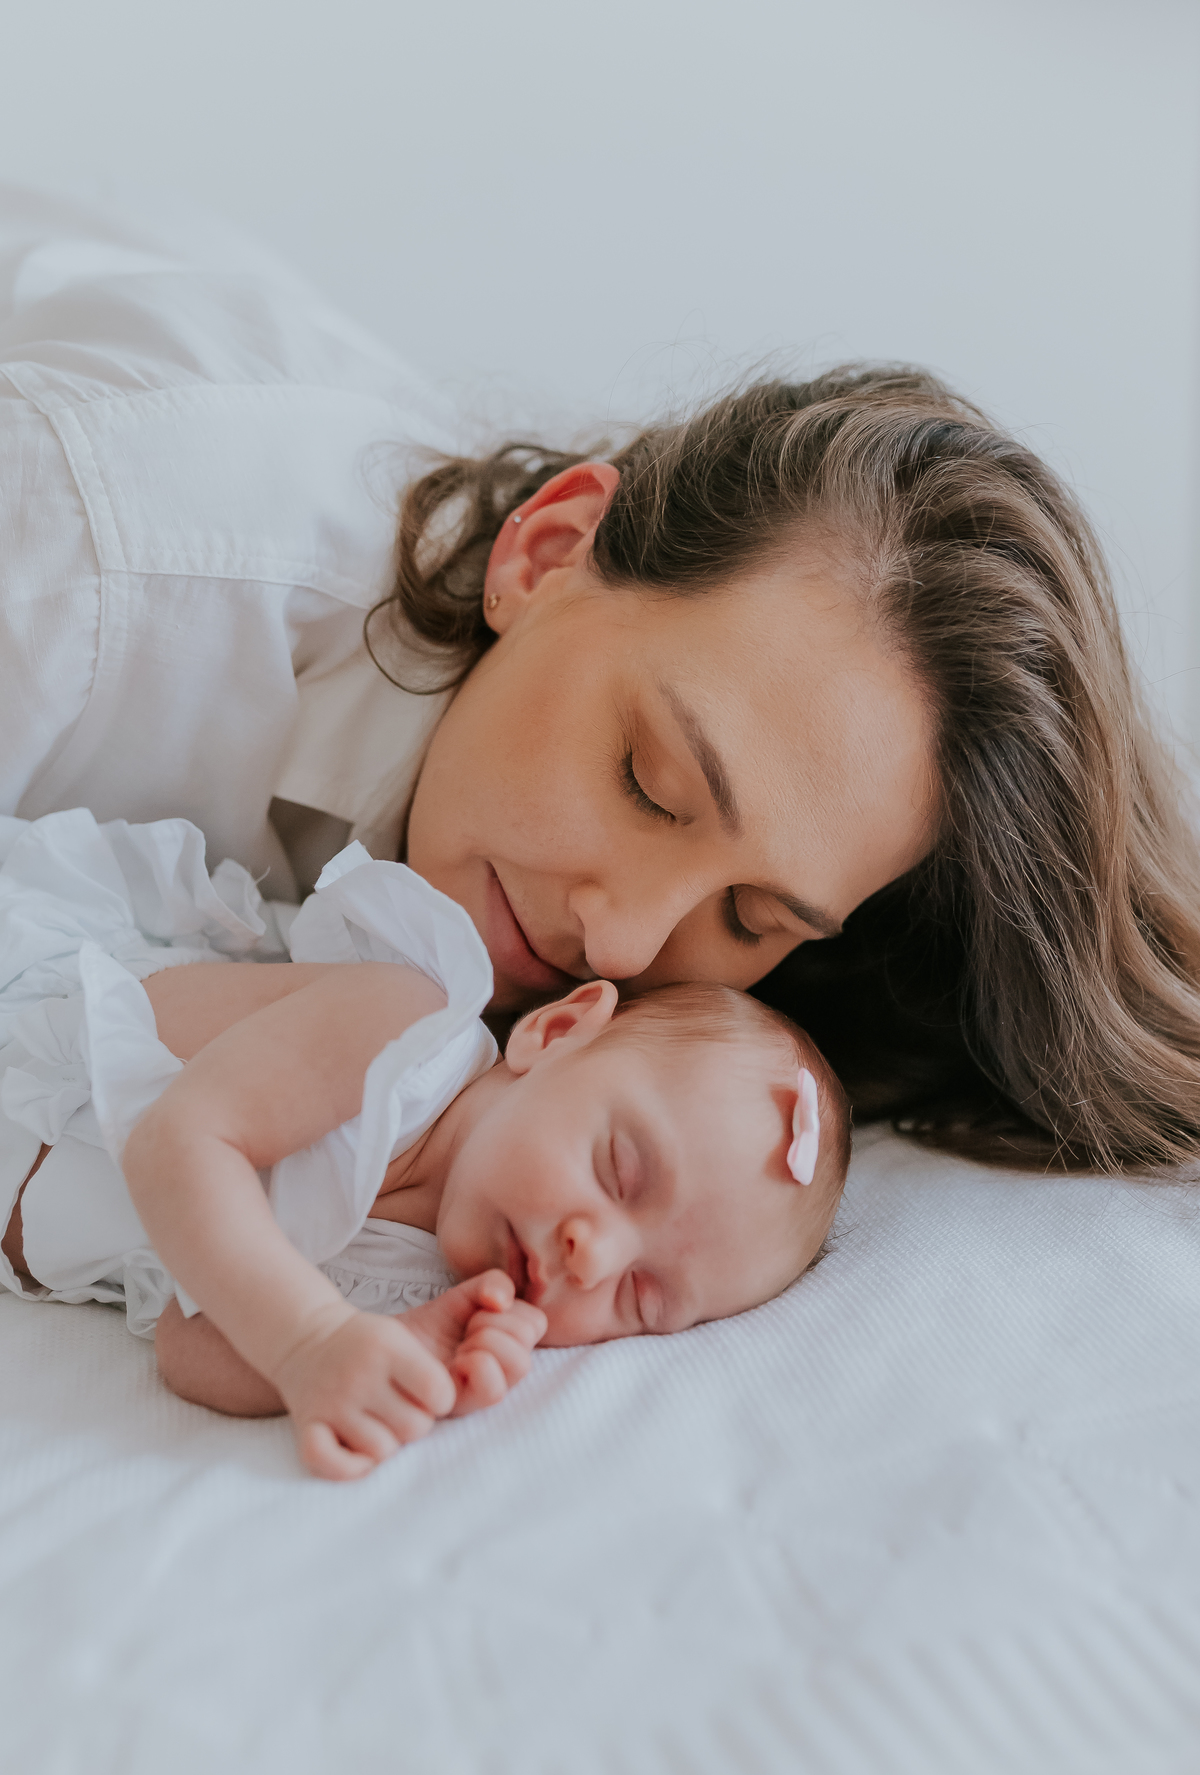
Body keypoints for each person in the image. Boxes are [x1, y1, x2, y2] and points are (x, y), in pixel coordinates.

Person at [4, 189, 1199, 1175]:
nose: (622, 945)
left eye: (753, 920)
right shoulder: (100, 556)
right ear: (545, 551)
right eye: (648, 784)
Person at [0, 808, 849, 1481]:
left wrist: (377, 1352)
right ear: (556, 1033)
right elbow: (178, 1141)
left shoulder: (419, 1285)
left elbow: (191, 1341)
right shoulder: (403, 1037)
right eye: (618, 1170)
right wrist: (307, 1341)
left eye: (642, 1297)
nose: (593, 1260)